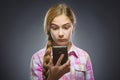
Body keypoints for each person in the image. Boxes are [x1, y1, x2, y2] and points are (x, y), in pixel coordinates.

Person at [30, 3, 94, 80]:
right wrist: (52, 78)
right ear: (48, 29)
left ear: (73, 27)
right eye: (55, 28)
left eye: (66, 27)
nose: (60, 34)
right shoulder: (37, 58)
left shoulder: (84, 56)